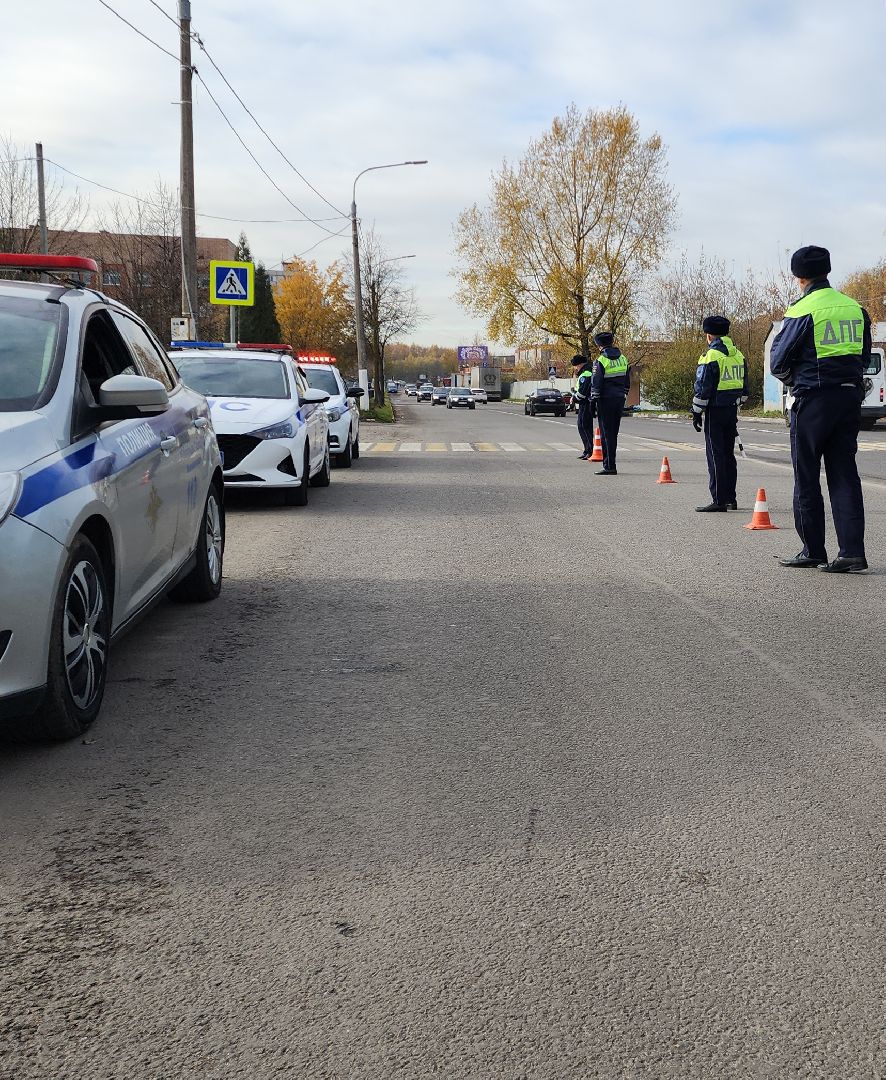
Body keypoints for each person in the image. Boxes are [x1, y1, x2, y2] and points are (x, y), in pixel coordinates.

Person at [770, 245, 869, 573]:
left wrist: (796, 380)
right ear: (827, 270)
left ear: (799, 276)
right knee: (844, 475)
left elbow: (778, 361)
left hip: (813, 399)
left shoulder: (803, 308)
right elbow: (865, 357)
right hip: (849, 398)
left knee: (807, 475)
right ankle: (852, 552)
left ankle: (813, 549)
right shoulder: (855, 308)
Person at [691, 316, 748, 511]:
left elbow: (703, 388)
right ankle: (731, 498)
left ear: (709, 335)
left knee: (715, 456)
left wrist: (697, 412)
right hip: (731, 410)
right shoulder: (739, 355)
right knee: (728, 455)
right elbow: (745, 388)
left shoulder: (711, 356)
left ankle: (719, 500)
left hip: (714, 411)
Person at [589, 331, 630, 474]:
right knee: (614, 433)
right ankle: (611, 463)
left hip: (605, 400)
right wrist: (623, 394)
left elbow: (596, 383)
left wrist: (593, 401)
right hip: (619, 399)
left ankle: (609, 466)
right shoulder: (623, 358)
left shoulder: (601, 360)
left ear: (599, 345)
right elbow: (627, 381)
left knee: (606, 433)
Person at [571, 354, 594, 459]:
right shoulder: (586, 372)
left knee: (584, 427)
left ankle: (590, 451)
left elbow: (582, 393)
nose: (575, 368)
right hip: (584, 404)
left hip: (586, 403)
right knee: (582, 426)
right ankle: (587, 450)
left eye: (575, 366)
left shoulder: (586, 373)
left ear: (579, 364)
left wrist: (574, 398)